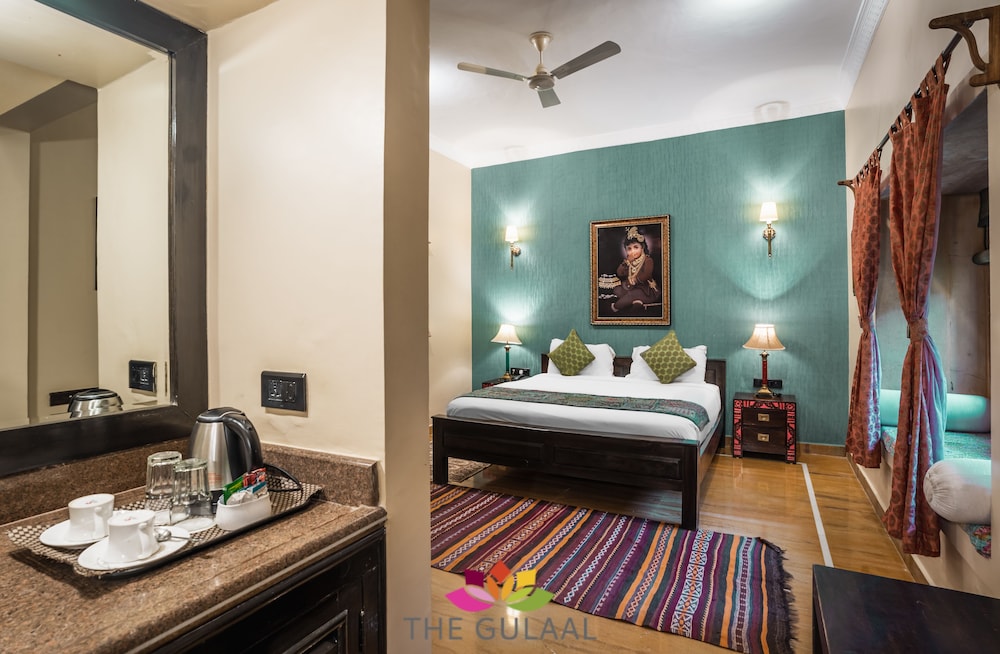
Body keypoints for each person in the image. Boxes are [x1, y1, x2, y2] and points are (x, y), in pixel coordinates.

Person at [610, 226, 661, 312]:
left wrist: (634, 280)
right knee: (617, 290)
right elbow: (620, 273)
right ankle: (637, 302)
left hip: (645, 289)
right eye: (629, 249)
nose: (633, 251)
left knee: (632, 294)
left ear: (642, 247)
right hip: (631, 287)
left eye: (636, 247)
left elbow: (646, 274)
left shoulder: (648, 260)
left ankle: (615, 306)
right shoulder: (629, 261)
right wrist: (626, 262)